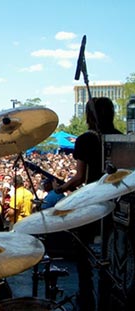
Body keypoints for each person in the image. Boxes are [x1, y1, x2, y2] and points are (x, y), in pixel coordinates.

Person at [54, 97, 122, 311]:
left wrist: (60, 188)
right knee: (111, 254)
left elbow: (80, 177)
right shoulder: (120, 138)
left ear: (89, 115)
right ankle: (108, 298)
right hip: (117, 204)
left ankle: (86, 299)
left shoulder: (85, 139)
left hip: (92, 202)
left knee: (83, 252)